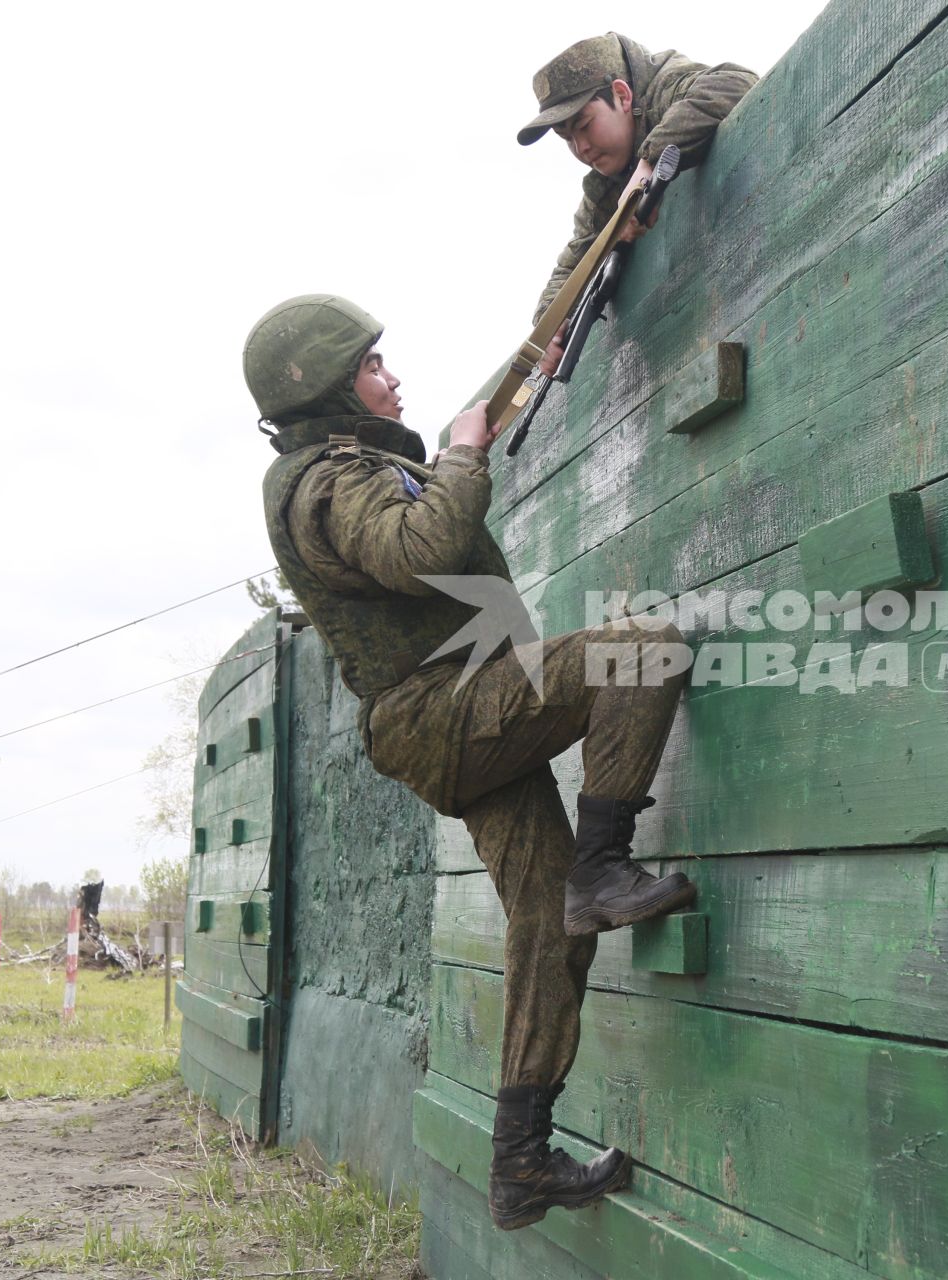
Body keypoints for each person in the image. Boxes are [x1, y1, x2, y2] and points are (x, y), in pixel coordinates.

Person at [244, 293, 696, 1229]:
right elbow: (421, 550)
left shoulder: (349, 467)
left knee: (549, 924)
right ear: (328, 383)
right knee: (643, 649)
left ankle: (519, 1162)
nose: (392, 376)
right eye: (372, 364)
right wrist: (459, 453)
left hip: (450, 713)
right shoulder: (327, 480)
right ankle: (604, 865)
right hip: (442, 711)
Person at [518, 32, 757, 370]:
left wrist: (649, 163)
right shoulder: (604, 185)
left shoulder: (665, 88)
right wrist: (548, 325)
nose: (581, 148)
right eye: (567, 138)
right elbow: (578, 254)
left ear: (622, 95)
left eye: (584, 126)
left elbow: (735, 82)